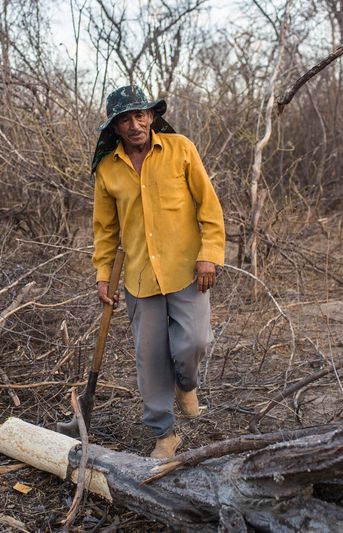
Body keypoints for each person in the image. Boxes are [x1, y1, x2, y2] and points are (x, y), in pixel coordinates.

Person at [91, 85, 225, 459]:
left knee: (193, 342)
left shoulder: (181, 149)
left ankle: (186, 384)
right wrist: (104, 275)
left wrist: (209, 254)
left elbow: (209, 207)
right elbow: (105, 230)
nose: (134, 125)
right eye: (124, 120)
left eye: (140, 115)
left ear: (151, 116)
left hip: (188, 270)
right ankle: (164, 433)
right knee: (150, 359)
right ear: (115, 128)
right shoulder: (107, 169)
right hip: (139, 276)